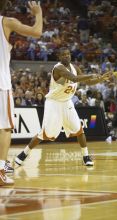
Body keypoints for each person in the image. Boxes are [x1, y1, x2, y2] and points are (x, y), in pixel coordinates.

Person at [15, 48, 111, 167]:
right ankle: (24, 153)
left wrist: (101, 79)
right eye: (63, 55)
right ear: (59, 57)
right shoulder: (58, 68)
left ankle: (85, 156)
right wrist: (92, 74)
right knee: (45, 133)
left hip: (66, 102)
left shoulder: (75, 68)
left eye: (68, 54)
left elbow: (88, 82)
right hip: (53, 102)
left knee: (79, 130)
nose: (66, 56)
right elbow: (74, 79)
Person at [0, 0, 42, 186]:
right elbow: (36, 32)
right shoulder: (6, 22)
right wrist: (38, 13)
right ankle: (0, 171)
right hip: (1, 84)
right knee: (5, 128)